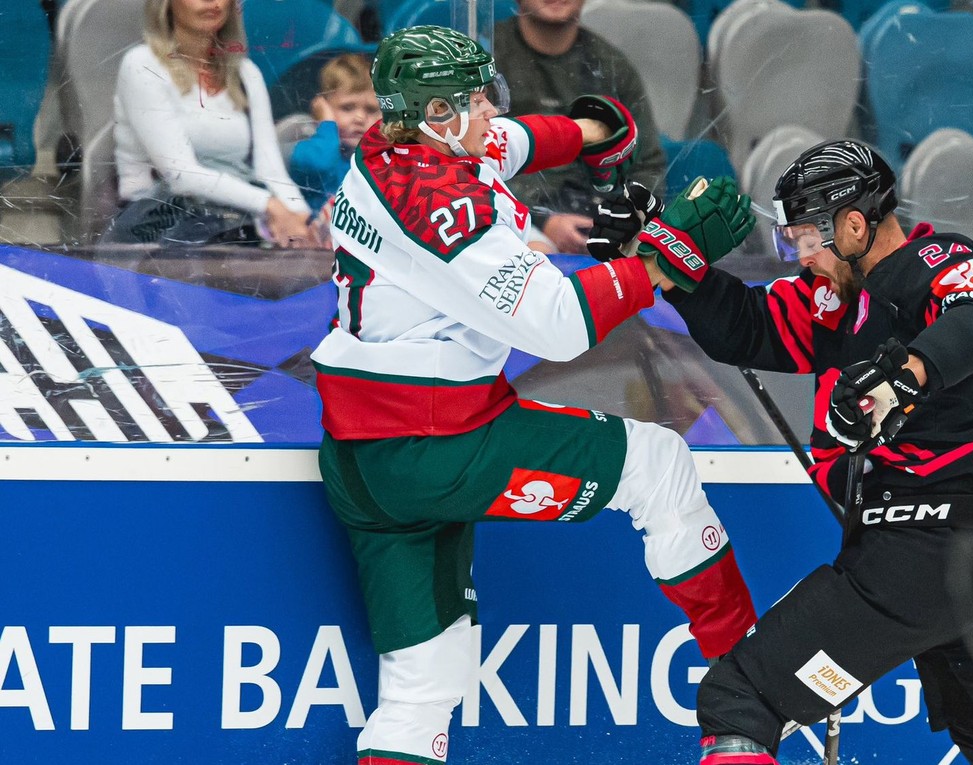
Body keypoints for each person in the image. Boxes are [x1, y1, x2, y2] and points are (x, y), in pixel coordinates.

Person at [310, 26, 760, 765]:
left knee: (426, 681)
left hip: (363, 458)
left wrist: (592, 131)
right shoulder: (445, 206)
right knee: (657, 464)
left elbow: (513, 141)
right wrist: (663, 259)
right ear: (436, 115)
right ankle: (750, 692)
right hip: (441, 444)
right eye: (473, 98)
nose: (491, 108)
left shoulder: (397, 150)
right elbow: (559, 324)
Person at [590, 140, 973, 765]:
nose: (801, 254)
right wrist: (660, 253)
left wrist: (905, 374)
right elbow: (744, 325)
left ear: (854, 223)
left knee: (739, 698)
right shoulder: (833, 301)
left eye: (808, 238)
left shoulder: (934, 260)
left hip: (919, 557)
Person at [107, 0, 317, 247]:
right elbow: (181, 175)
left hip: (231, 223)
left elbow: (270, 169)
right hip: (157, 231)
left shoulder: (246, 73)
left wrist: (300, 217)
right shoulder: (142, 64)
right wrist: (269, 205)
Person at [494, 0, 667, 254]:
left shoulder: (611, 65)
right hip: (516, 221)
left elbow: (646, 164)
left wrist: (620, 223)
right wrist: (542, 220)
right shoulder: (487, 57)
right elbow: (468, 160)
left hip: (600, 220)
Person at [290, 53, 381, 214]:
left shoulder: (380, 161)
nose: (360, 118)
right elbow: (321, 164)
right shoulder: (308, 152)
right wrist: (326, 125)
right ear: (322, 108)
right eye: (347, 108)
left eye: (371, 110)